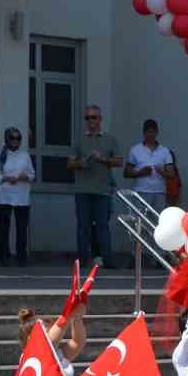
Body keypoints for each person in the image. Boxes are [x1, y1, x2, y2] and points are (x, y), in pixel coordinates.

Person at [68, 105, 122, 267]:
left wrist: (102, 159)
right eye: (87, 118)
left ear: (100, 119)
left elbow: (119, 161)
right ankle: (82, 261)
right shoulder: (79, 140)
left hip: (102, 191)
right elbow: (69, 164)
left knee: (102, 227)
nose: (90, 121)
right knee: (83, 226)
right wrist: (81, 163)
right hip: (83, 190)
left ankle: (107, 260)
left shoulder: (110, 139)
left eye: (94, 117)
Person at [0, 127, 35, 267]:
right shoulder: (0, 155)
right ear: (7, 139)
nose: (15, 141)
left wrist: (25, 176)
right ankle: (4, 256)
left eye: (18, 138)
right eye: (12, 138)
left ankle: (21, 256)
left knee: (21, 228)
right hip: (4, 196)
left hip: (22, 197)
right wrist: (5, 178)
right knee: (4, 228)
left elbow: (32, 174)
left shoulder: (25, 155)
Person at [124, 118, 176, 210]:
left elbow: (172, 174)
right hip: (141, 192)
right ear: (144, 133)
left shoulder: (165, 151)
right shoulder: (135, 150)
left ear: (157, 133)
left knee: (157, 221)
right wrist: (141, 172)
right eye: (148, 132)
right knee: (140, 222)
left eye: (153, 132)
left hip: (159, 193)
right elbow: (126, 173)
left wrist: (161, 172)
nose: (151, 134)